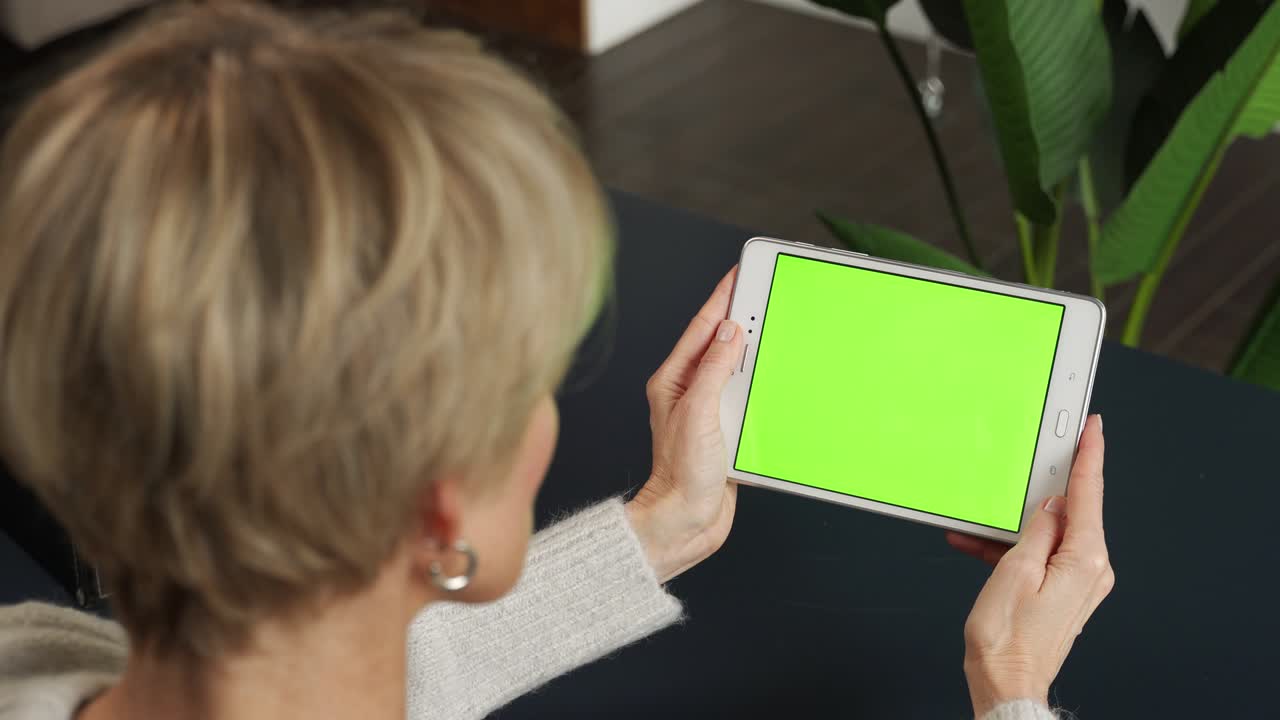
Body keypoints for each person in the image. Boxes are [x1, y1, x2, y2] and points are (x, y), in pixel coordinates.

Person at [0, 4, 1114, 719]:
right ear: (441, 505)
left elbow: (347, 685)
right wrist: (1011, 691)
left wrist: (664, 521)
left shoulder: (35, 663)